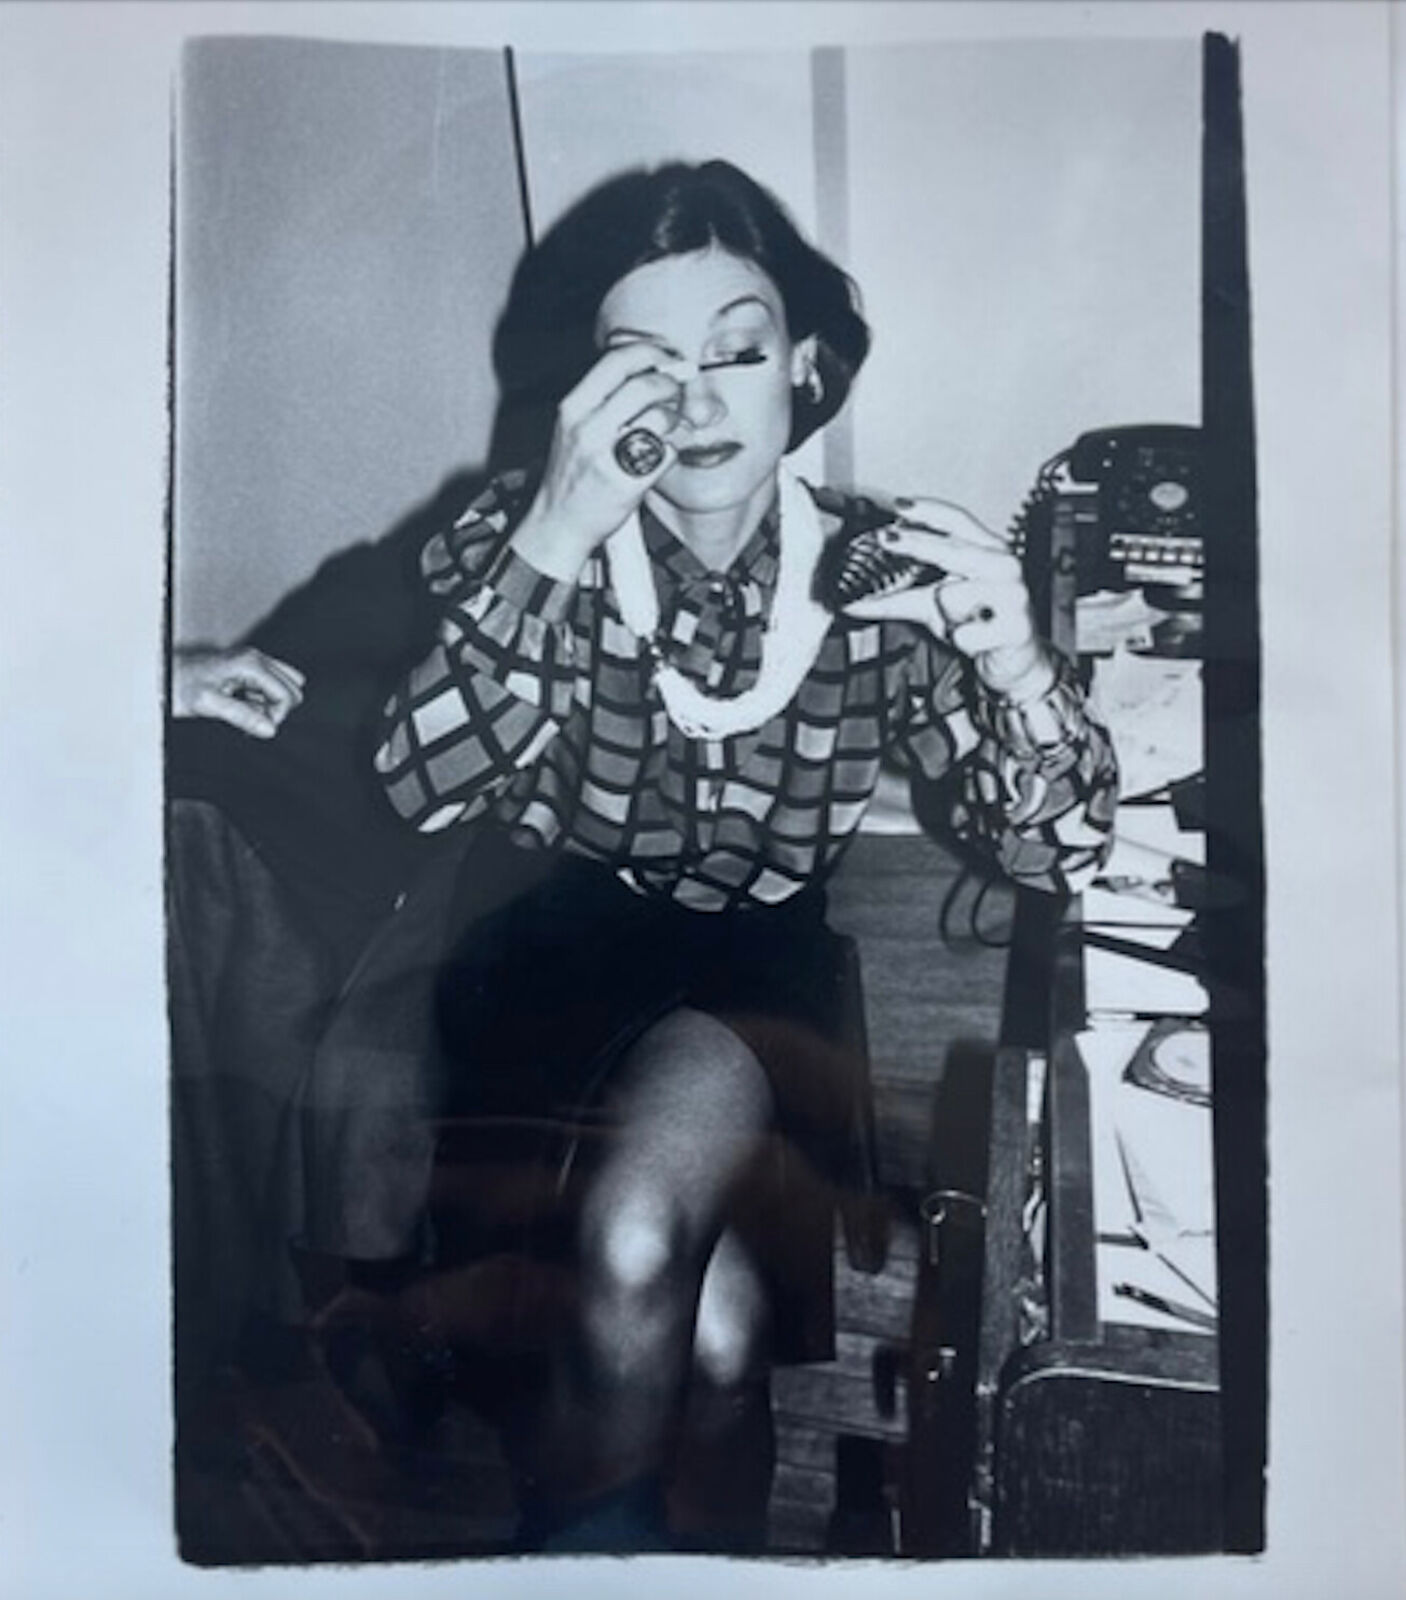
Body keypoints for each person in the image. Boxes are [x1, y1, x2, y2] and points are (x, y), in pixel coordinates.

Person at [370, 158, 1119, 1553]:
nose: (698, 401)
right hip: (544, 956)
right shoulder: (523, 542)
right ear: (587, 393)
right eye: (644, 363)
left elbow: (1057, 851)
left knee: (636, 1247)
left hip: (750, 970)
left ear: (805, 366)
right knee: (708, 1342)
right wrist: (554, 533)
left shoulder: (878, 572)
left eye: (737, 350)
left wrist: (1020, 666)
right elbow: (415, 790)